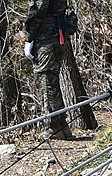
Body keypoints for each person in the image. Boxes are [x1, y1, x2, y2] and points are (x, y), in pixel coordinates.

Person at [24, 0, 77, 140]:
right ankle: (62, 125)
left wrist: (30, 38)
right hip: (58, 37)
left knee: (45, 82)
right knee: (53, 84)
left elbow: (39, 10)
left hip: (46, 39)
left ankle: (53, 127)